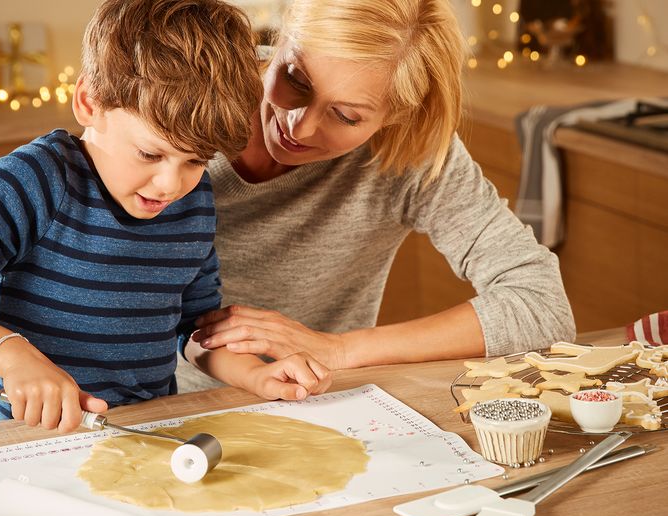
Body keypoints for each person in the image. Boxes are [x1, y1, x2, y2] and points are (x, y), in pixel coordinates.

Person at [0, 0, 331, 434]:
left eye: (196, 160)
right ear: (90, 102)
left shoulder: (193, 200)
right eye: (149, 154)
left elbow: (195, 328)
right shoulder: (38, 179)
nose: (169, 185)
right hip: (38, 438)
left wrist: (257, 374)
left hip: (150, 431)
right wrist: (12, 356)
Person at [176, 0, 576, 393]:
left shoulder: (409, 151)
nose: (299, 127)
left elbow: (541, 305)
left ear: (396, 116)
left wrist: (340, 350)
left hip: (318, 401)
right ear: (281, 38)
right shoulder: (187, 100)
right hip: (168, 400)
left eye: (346, 115)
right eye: (296, 79)